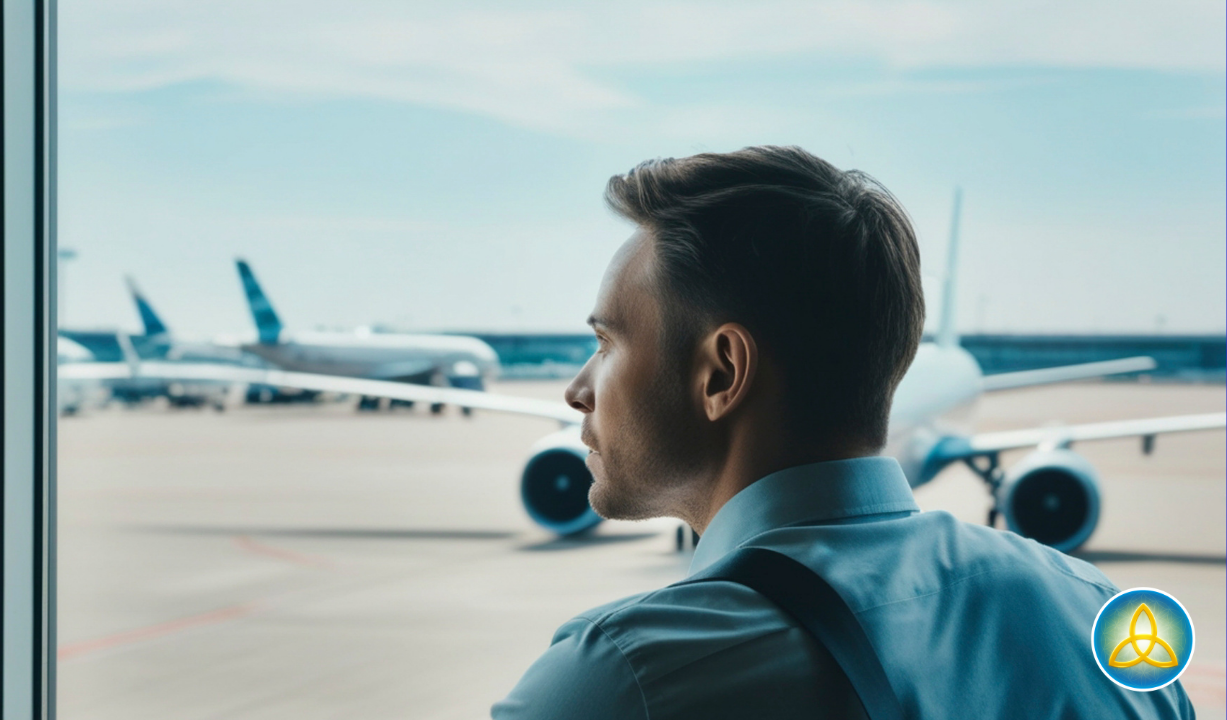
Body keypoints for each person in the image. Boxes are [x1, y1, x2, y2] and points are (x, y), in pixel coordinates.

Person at [490, 146, 1194, 719]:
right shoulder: (1098, 615)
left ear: (721, 373)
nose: (577, 390)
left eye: (607, 344)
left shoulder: (622, 677)